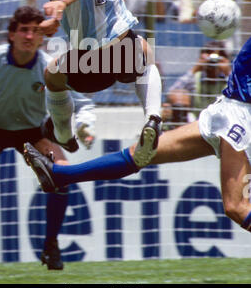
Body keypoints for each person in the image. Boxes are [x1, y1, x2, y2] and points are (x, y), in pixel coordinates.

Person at [24, 34, 251, 233]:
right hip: (224, 110)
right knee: (142, 153)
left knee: (237, 206)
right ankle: (60, 176)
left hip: (239, 117)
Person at [0, 6, 96, 270]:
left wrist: (86, 123)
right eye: (23, 30)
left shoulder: (49, 68)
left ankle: (51, 245)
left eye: (35, 31)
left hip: (30, 131)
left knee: (63, 175)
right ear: (11, 35)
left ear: (43, 37)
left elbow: (82, 102)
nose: (29, 36)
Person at [17, 0, 162, 157]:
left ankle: (62, 133)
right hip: (123, 46)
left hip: (93, 59)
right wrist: (56, 20)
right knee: (146, 55)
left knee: (52, 75)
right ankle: (153, 116)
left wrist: (60, 2)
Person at [162, 41, 231, 128]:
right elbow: (172, 94)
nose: (212, 63)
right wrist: (195, 69)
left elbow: (241, 95)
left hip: (223, 123)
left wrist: (228, 73)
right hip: (196, 123)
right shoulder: (196, 78)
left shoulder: (229, 81)